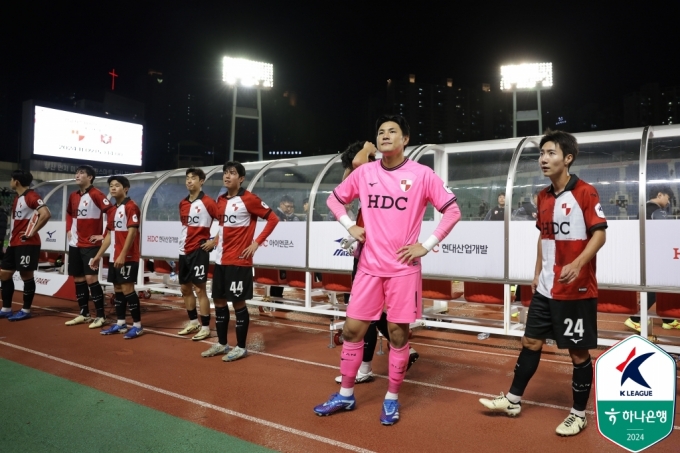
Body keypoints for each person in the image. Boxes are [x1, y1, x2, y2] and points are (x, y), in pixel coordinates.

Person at [314, 115, 461, 425]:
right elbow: (333, 200)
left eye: (392, 131)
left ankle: (391, 399)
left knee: (396, 334)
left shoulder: (422, 174)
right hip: (368, 267)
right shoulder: (364, 172)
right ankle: (345, 394)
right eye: (380, 132)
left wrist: (427, 244)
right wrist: (349, 225)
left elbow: (452, 210)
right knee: (352, 330)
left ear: (405, 139)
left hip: (403, 270)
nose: (385, 136)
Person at [479, 130, 607, 437]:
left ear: (568, 158)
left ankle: (579, 414)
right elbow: (544, 235)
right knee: (530, 342)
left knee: (578, 354)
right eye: (541, 154)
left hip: (576, 292)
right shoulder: (542, 196)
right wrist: (537, 271)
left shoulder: (586, 193)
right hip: (546, 288)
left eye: (550, 153)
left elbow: (600, 234)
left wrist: (577, 264)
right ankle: (512, 400)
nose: (543, 159)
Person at [332, 140, 420, 386]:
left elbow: (358, 163)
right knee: (370, 312)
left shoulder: (380, 174)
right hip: (366, 252)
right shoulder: (365, 178)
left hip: (380, 257)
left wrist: (368, 148)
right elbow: (349, 176)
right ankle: (396, 352)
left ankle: (365, 367)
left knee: (369, 313)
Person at [200, 161, 279, 361]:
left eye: (232, 173)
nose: (227, 176)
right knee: (218, 301)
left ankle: (241, 347)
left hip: (239, 262)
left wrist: (256, 243)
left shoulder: (249, 199)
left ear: (241, 178)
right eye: (225, 173)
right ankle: (222, 344)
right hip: (220, 260)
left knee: (238, 303)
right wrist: (215, 240)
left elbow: (273, 219)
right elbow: (223, 227)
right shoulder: (220, 200)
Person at [90, 176, 144, 339]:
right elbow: (109, 235)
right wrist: (98, 256)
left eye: (117, 186)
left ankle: (137, 325)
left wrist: (122, 254)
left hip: (127, 256)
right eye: (111, 186)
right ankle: (121, 323)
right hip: (115, 256)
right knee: (118, 289)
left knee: (128, 289)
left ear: (126, 188)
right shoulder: (112, 210)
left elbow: (132, 232)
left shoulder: (131, 206)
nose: (113, 188)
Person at [64, 165, 114, 328]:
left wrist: (103, 234)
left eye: (81, 173)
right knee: (78, 278)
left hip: (90, 244)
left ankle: (100, 316)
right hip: (75, 244)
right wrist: (68, 229)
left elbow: (112, 212)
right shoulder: (73, 195)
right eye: (76, 172)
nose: (77, 175)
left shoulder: (96, 195)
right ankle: (84, 314)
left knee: (91, 278)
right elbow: (70, 213)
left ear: (90, 177)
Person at [624, 186, 678, 331]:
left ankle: (668, 319)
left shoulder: (642, 209)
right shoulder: (657, 211)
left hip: (646, 253)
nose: (668, 202)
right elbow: (665, 232)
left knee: (661, 286)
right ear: (660, 195)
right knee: (656, 287)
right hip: (656, 255)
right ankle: (635, 319)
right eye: (668, 198)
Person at [0, 170, 52, 321]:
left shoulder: (31, 196)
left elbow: (46, 213)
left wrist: (32, 232)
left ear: (16, 181)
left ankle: (26, 309)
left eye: (11, 179)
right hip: (13, 243)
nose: (10, 181)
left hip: (27, 244)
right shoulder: (18, 198)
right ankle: (6, 308)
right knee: (4, 274)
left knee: (26, 275)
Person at [177, 168, 219, 340]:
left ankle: (206, 327)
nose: (189, 181)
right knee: (185, 288)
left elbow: (224, 224)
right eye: (187, 178)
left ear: (201, 181)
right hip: (183, 250)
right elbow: (185, 227)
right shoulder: (182, 203)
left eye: (193, 178)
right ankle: (193, 322)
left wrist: (214, 241)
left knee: (199, 289)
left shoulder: (208, 202)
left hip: (199, 251)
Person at [270, 194, 299, 298]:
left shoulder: (287, 216)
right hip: (277, 248)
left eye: (291, 207)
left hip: (283, 248)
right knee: (278, 274)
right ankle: (275, 297)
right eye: (287, 206)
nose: (289, 209)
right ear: (281, 204)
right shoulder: (276, 215)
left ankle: (277, 296)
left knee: (281, 275)